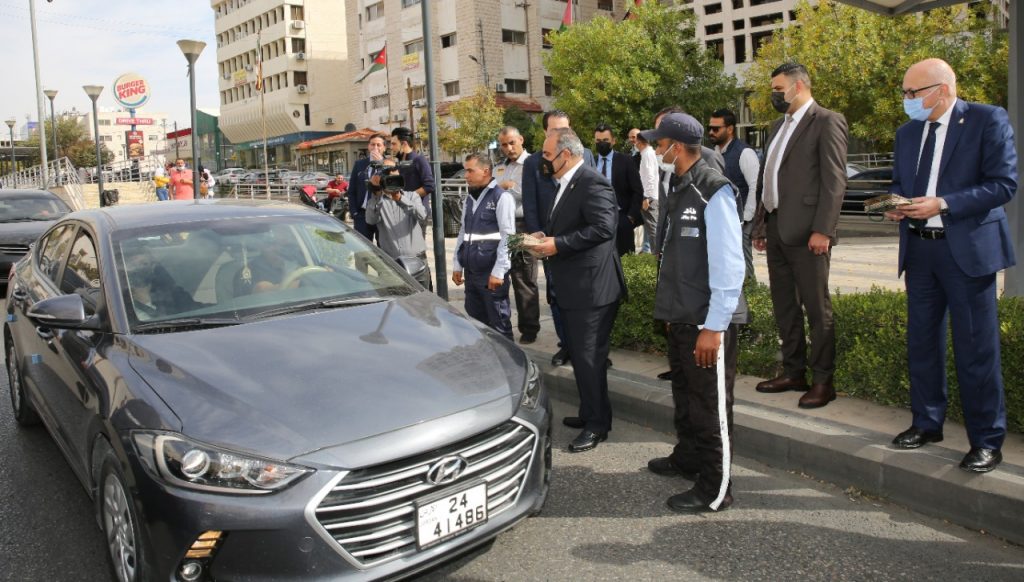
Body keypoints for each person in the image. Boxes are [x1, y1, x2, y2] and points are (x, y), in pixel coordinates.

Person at [883, 58, 1017, 473]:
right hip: (920, 251)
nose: (907, 100)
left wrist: (943, 203)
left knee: (976, 348)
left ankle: (987, 441)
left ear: (942, 89)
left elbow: (1003, 184)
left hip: (967, 254)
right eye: (904, 93)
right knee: (922, 343)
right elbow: (900, 182)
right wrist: (898, 203)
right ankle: (927, 423)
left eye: (913, 92)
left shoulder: (986, 120)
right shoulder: (907, 133)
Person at [641, 112, 746, 513]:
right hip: (682, 314)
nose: (656, 150)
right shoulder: (677, 183)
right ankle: (688, 458)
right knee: (685, 397)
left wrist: (714, 327)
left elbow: (729, 265)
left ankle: (715, 488)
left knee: (710, 407)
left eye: (660, 143)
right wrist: (671, 313)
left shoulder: (712, 189)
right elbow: (676, 257)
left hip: (706, 320)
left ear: (677, 147)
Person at [750, 62, 848, 410]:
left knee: (817, 309)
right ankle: (794, 372)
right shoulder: (778, 125)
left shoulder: (827, 121)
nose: (774, 95)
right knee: (785, 306)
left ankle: (823, 381)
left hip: (809, 233)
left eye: (779, 89)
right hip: (777, 228)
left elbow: (834, 181)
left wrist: (824, 230)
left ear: (800, 86)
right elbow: (768, 178)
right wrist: (761, 225)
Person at [527, 127, 626, 453]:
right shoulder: (566, 182)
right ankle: (589, 413)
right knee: (583, 359)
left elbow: (604, 228)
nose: (543, 160)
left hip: (592, 290)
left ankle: (598, 425)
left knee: (589, 359)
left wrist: (558, 244)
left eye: (547, 155)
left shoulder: (592, 182)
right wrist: (545, 237)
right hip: (574, 287)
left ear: (565, 155)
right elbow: (571, 224)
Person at [522, 110, 596, 368]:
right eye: (555, 130)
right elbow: (530, 204)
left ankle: (589, 347)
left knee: (585, 296)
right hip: (549, 240)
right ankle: (566, 344)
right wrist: (537, 238)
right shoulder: (534, 163)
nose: (561, 134)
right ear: (545, 132)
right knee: (556, 294)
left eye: (565, 129)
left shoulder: (586, 155)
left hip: (579, 239)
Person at [452, 153, 515, 340]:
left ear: (486, 171)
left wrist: (499, 271)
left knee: (499, 324)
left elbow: (508, 237)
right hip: (472, 274)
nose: (466, 175)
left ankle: (508, 358)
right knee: (476, 325)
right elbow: (463, 232)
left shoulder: (501, 197)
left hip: (490, 273)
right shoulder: (469, 199)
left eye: (470, 171)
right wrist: (457, 264)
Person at [495, 126, 541, 344]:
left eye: (512, 142)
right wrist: (504, 186)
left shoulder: (532, 164)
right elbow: (493, 192)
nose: (508, 148)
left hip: (522, 226)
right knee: (500, 277)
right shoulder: (500, 167)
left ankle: (529, 328)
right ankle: (500, 325)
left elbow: (525, 193)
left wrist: (503, 188)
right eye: (504, 144)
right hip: (501, 227)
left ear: (521, 139)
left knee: (524, 279)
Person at [365, 158, 433, 290]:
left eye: (395, 175)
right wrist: (376, 193)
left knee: (423, 299)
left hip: (417, 260)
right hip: (391, 264)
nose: (392, 180)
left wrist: (400, 199)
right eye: (387, 175)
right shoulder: (377, 201)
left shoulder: (412, 196)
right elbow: (370, 220)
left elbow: (422, 216)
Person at [710, 108, 760, 281]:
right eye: (710, 128)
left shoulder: (745, 153)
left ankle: (750, 292)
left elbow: (755, 186)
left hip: (741, 220)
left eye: (716, 128)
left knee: (743, 265)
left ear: (730, 129)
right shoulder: (714, 152)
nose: (711, 132)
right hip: (721, 219)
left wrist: (746, 218)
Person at [593, 123, 644, 256]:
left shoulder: (626, 161)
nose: (601, 144)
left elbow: (637, 190)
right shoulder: (590, 162)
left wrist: (630, 217)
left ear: (613, 141)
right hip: (595, 220)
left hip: (621, 218)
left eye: (605, 140)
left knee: (624, 259)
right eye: (598, 141)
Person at [348, 133, 387, 242]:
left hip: (382, 215)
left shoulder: (389, 164)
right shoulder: (359, 164)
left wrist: (381, 164)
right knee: (362, 248)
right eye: (372, 144)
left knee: (383, 249)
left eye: (379, 145)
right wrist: (354, 212)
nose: (375, 148)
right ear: (368, 146)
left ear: (384, 148)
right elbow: (352, 190)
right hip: (362, 214)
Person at [390, 127, 435, 217]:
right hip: (400, 213)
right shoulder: (399, 164)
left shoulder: (419, 160)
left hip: (416, 213)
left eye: (394, 144)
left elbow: (429, 186)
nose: (391, 147)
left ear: (404, 144)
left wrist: (405, 197)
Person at [635, 133, 660, 254]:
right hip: (649, 196)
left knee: (652, 229)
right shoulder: (647, 154)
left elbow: (650, 177)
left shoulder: (648, 154)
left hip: (649, 198)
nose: (635, 144)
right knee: (651, 229)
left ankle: (658, 256)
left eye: (636, 141)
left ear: (640, 142)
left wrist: (647, 197)